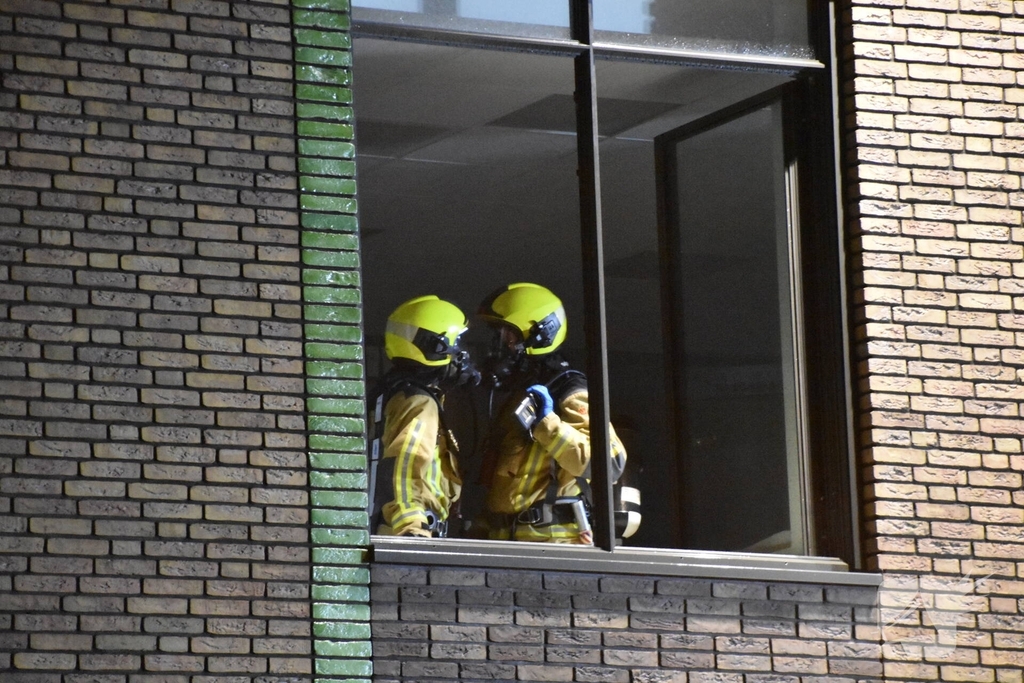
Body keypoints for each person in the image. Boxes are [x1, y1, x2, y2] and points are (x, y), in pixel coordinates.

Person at [475, 282, 627, 544]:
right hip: (506, 542)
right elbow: (502, 482)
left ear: (540, 333)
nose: (503, 344)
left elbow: (609, 463)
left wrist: (549, 425)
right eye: (499, 334)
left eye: (509, 334)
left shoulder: (569, 389)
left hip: (552, 544)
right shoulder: (521, 395)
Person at [370, 295, 479, 538]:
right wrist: (412, 532)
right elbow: (404, 469)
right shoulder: (420, 404)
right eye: (457, 342)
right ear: (435, 347)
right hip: (412, 531)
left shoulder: (394, 394)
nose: (462, 353)